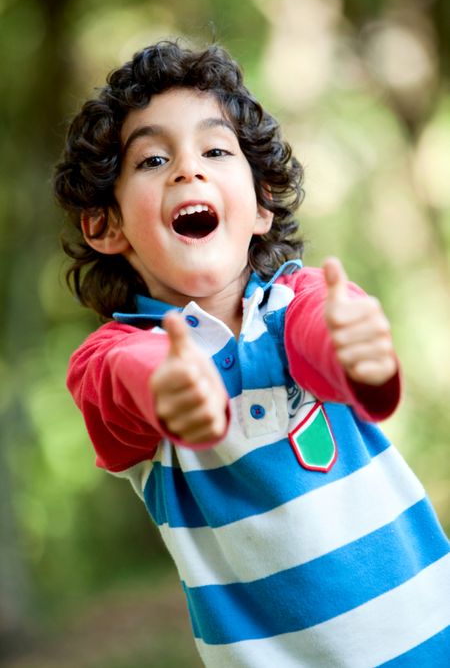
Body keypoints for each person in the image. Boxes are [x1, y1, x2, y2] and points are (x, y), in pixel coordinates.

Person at [54, 40, 450, 667]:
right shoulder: (115, 354)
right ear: (107, 225)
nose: (189, 169)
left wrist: (358, 353)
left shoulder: (303, 298)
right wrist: (167, 386)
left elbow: (320, 335)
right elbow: (119, 379)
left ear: (261, 204)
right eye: (155, 159)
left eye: (215, 150)